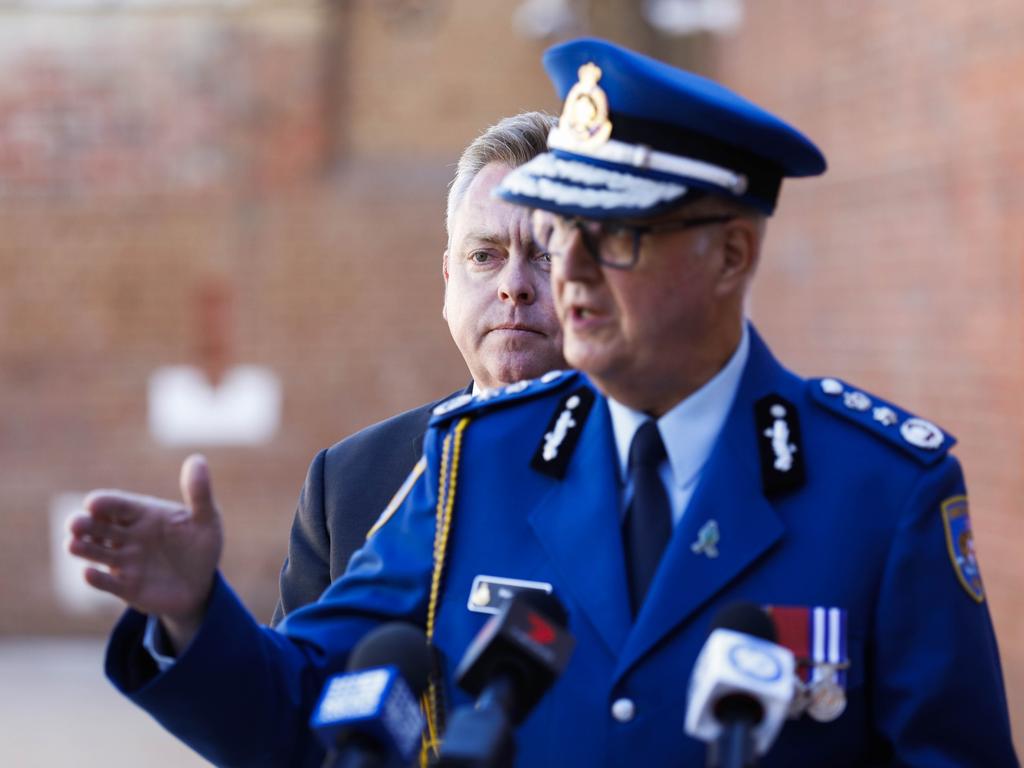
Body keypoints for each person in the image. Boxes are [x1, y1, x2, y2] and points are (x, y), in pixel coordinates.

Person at [69, 39, 1018, 767]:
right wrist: (194, 614)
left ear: (730, 255)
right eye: (561, 234)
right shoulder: (479, 459)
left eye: (612, 239)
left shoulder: (879, 490)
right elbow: (309, 711)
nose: (563, 276)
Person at [272, 111, 565, 624]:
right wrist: (193, 619)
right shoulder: (349, 483)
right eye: (484, 255)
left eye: (547, 257)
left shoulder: (659, 469)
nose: (514, 285)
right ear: (448, 279)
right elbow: (287, 697)